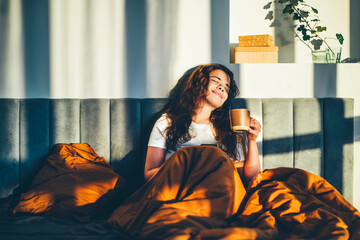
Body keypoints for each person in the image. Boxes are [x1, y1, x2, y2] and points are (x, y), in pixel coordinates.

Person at [144, 63, 261, 185]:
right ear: (198, 82)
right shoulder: (167, 121)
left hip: (221, 191)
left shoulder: (231, 128)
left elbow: (250, 178)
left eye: (226, 88)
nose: (222, 88)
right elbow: (149, 174)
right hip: (180, 189)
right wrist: (188, 169)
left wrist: (252, 140)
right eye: (216, 81)